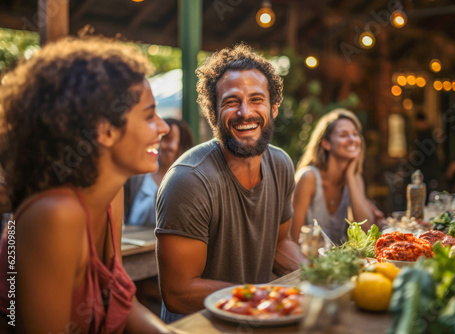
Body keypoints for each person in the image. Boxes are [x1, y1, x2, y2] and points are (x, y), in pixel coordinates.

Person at [0, 37, 175, 333]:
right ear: (105, 131)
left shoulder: (111, 196)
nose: (164, 127)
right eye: (149, 115)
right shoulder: (55, 215)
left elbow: (118, 297)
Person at [155, 43, 305, 322]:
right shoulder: (189, 179)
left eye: (256, 99)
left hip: (258, 321)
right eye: (231, 101)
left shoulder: (281, 165)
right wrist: (261, 297)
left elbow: (281, 245)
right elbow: (178, 292)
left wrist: (319, 277)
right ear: (213, 114)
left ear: (273, 108)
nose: (244, 112)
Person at [291, 109, 379, 246]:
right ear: (326, 143)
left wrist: (350, 175)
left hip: (338, 264)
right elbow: (292, 238)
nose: (352, 140)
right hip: (306, 263)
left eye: (355, 134)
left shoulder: (354, 178)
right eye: (344, 135)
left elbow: (367, 232)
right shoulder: (308, 178)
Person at [124, 118, 194, 226]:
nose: (161, 144)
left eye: (167, 139)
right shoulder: (135, 177)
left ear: (181, 147)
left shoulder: (187, 183)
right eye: (158, 138)